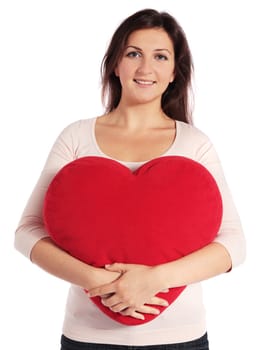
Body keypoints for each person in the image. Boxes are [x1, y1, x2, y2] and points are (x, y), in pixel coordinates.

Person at [14, 8, 246, 350]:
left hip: (180, 338)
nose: (145, 68)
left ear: (173, 73)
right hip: (88, 337)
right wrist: (98, 280)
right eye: (134, 53)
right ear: (115, 64)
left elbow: (233, 244)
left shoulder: (194, 144)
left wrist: (153, 280)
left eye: (160, 56)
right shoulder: (76, 137)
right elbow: (28, 231)